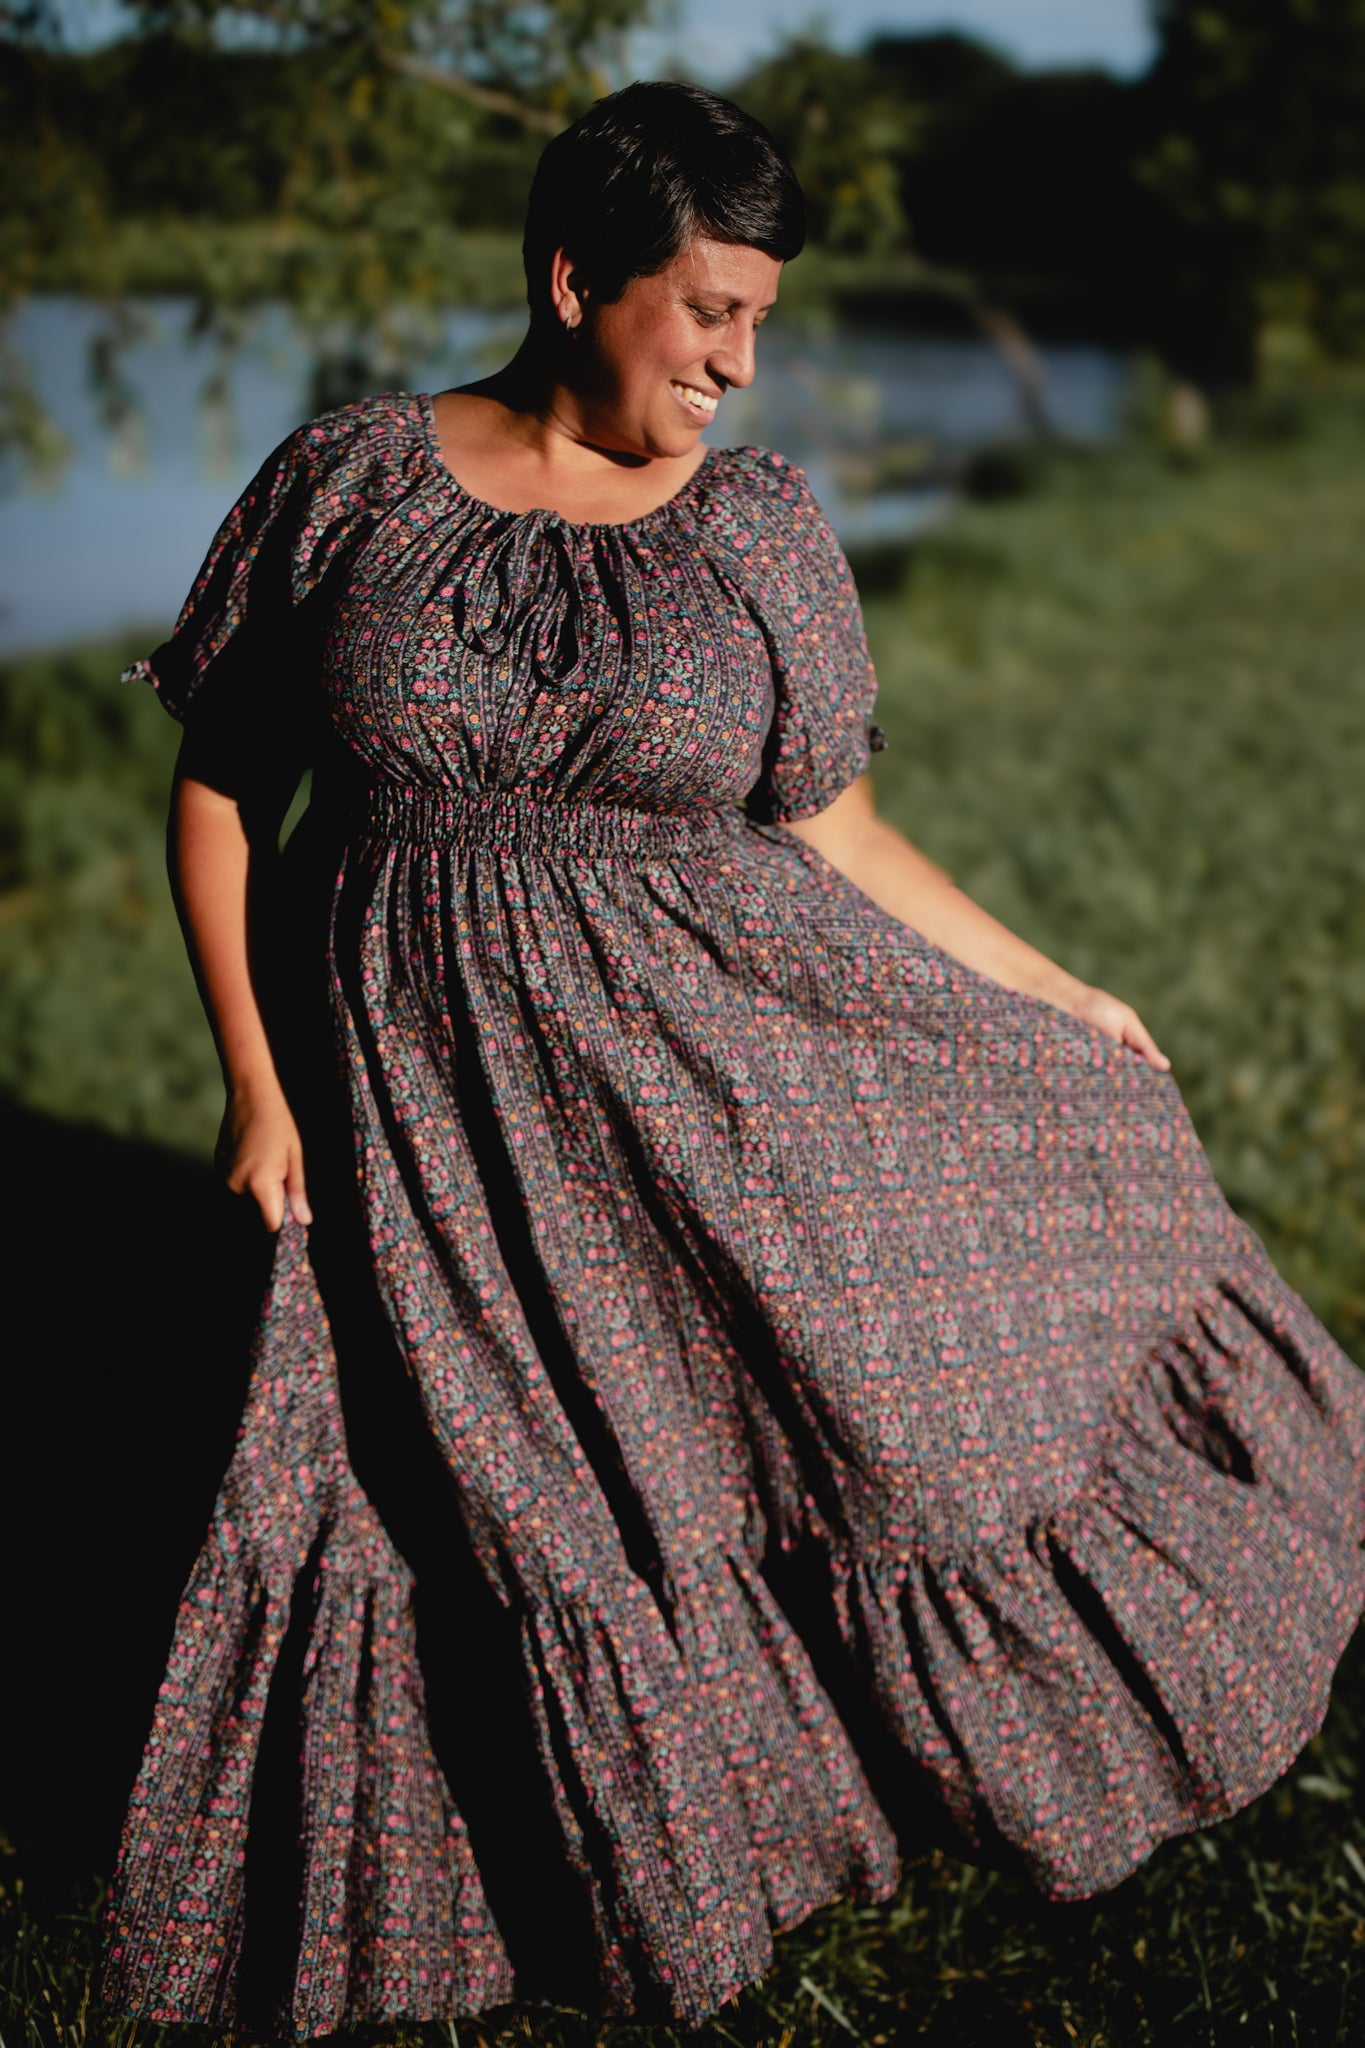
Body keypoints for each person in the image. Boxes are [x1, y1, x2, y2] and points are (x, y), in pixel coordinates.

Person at [103, 80, 1365, 2038]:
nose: (736, 359)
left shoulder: (759, 525)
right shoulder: (347, 479)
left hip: (714, 1067)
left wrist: (1054, 993)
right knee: (460, 1491)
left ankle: (877, 1775)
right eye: (705, 311)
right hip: (418, 1094)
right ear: (570, 277)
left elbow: (832, 827)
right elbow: (214, 790)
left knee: (841, 1422)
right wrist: (256, 1082)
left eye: (760, 316)